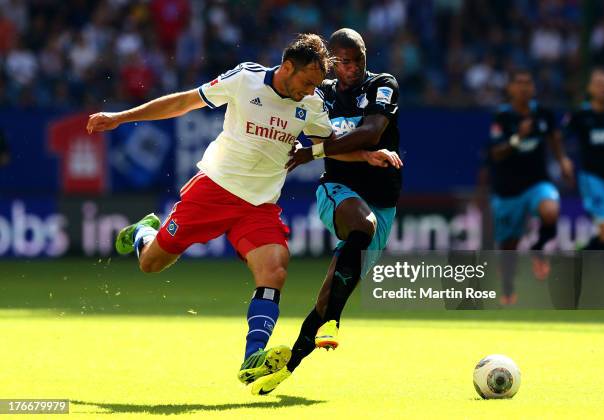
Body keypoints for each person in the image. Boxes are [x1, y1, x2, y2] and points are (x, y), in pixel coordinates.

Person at [86, 33, 400, 386]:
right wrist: (120, 117)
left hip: (259, 205)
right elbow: (184, 103)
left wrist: (365, 155)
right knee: (151, 263)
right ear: (286, 68)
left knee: (275, 268)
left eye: (316, 85)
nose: (313, 91)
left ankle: (252, 356)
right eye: (308, 82)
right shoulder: (244, 79)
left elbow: (327, 145)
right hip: (213, 191)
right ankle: (145, 231)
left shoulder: (310, 105)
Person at [251, 28, 403, 395]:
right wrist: (320, 152)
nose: (352, 68)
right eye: (344, 62)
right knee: (360, 225)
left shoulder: (383, 85)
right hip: (338, 191)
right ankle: (334, 320)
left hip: (383, 204)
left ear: (366, 57)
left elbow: (371, 131)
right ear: (332, 63)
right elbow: (324, 143)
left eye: (358, 60)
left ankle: (288, 365)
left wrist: (316, 152)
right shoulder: (321, 95)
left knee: (329, 295)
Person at [487, 70, 574, 305]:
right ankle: (507, 289)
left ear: (533, 88)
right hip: (508, 190)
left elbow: (554, 139)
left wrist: (563, 161)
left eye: (528, 83)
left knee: (550, 211)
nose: (524, 87)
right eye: (519, 83)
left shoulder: (543, 114)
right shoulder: (502, 117)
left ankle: (538, 247)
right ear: (511, 89)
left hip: (538, 183)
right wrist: (518, 138)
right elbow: (495, 153)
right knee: (508, 247)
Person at [563, 68, 604, 251]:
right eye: (599, 85)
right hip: (592, 178)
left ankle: (581, 254)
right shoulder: (581, 115)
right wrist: (564, 159)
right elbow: (559, 137)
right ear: (590, 88)